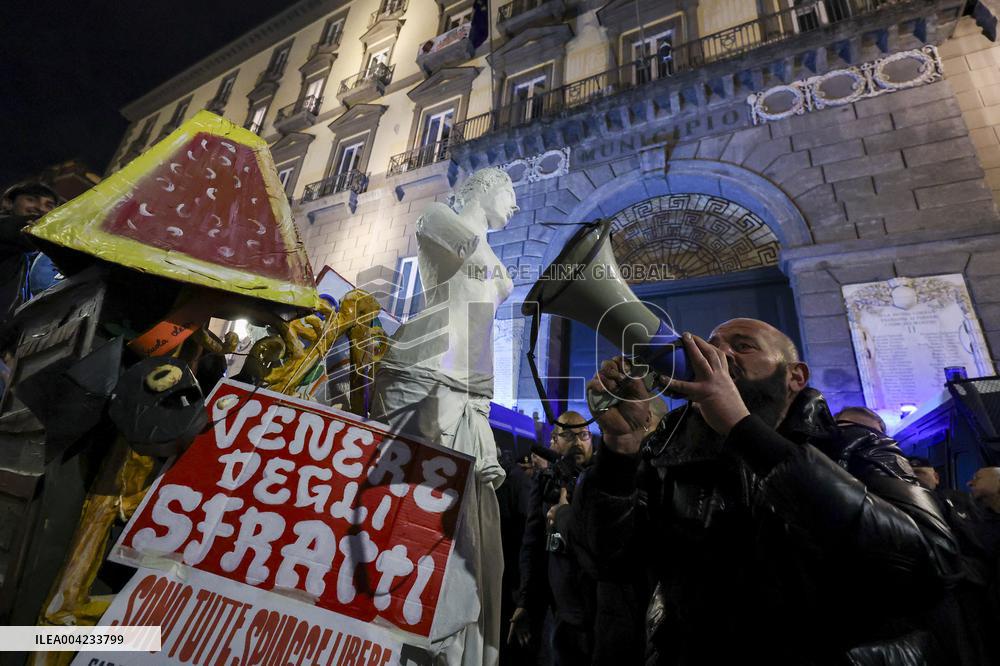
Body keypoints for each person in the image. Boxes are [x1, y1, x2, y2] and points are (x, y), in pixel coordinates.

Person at [573, 318, 960, 665]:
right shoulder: (671, 455)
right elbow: (609, 563)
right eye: (713, 343)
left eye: (742, 346)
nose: (718, 353)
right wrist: (620, 452)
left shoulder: (855, 446)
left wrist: (743, 429)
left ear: (795, 376)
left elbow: (930, 565)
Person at [370, 167, 518, 666]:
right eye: (510, 192)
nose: (516, 205)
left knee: (459, 534)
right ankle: (392, 632)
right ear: (481, 188)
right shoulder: (438, 218)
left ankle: (444, 641)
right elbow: (469, 278)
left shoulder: (485, 248)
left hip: (469, 384)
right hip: (426, 369)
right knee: (410, 513)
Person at [509, 411, 594, 666]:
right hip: (559, 609)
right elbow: (533, 545)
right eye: (568, 435)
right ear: (553, 442)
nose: (578, 441)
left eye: (584, 434)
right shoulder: (545, 481)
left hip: (596, 608)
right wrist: (525, 602)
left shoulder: (600, 481)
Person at [0, 182, 56, 322]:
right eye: (31, 199)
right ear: (8, 203)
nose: (40, 208)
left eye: (48, 205)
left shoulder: (31, 254)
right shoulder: (7, 227)